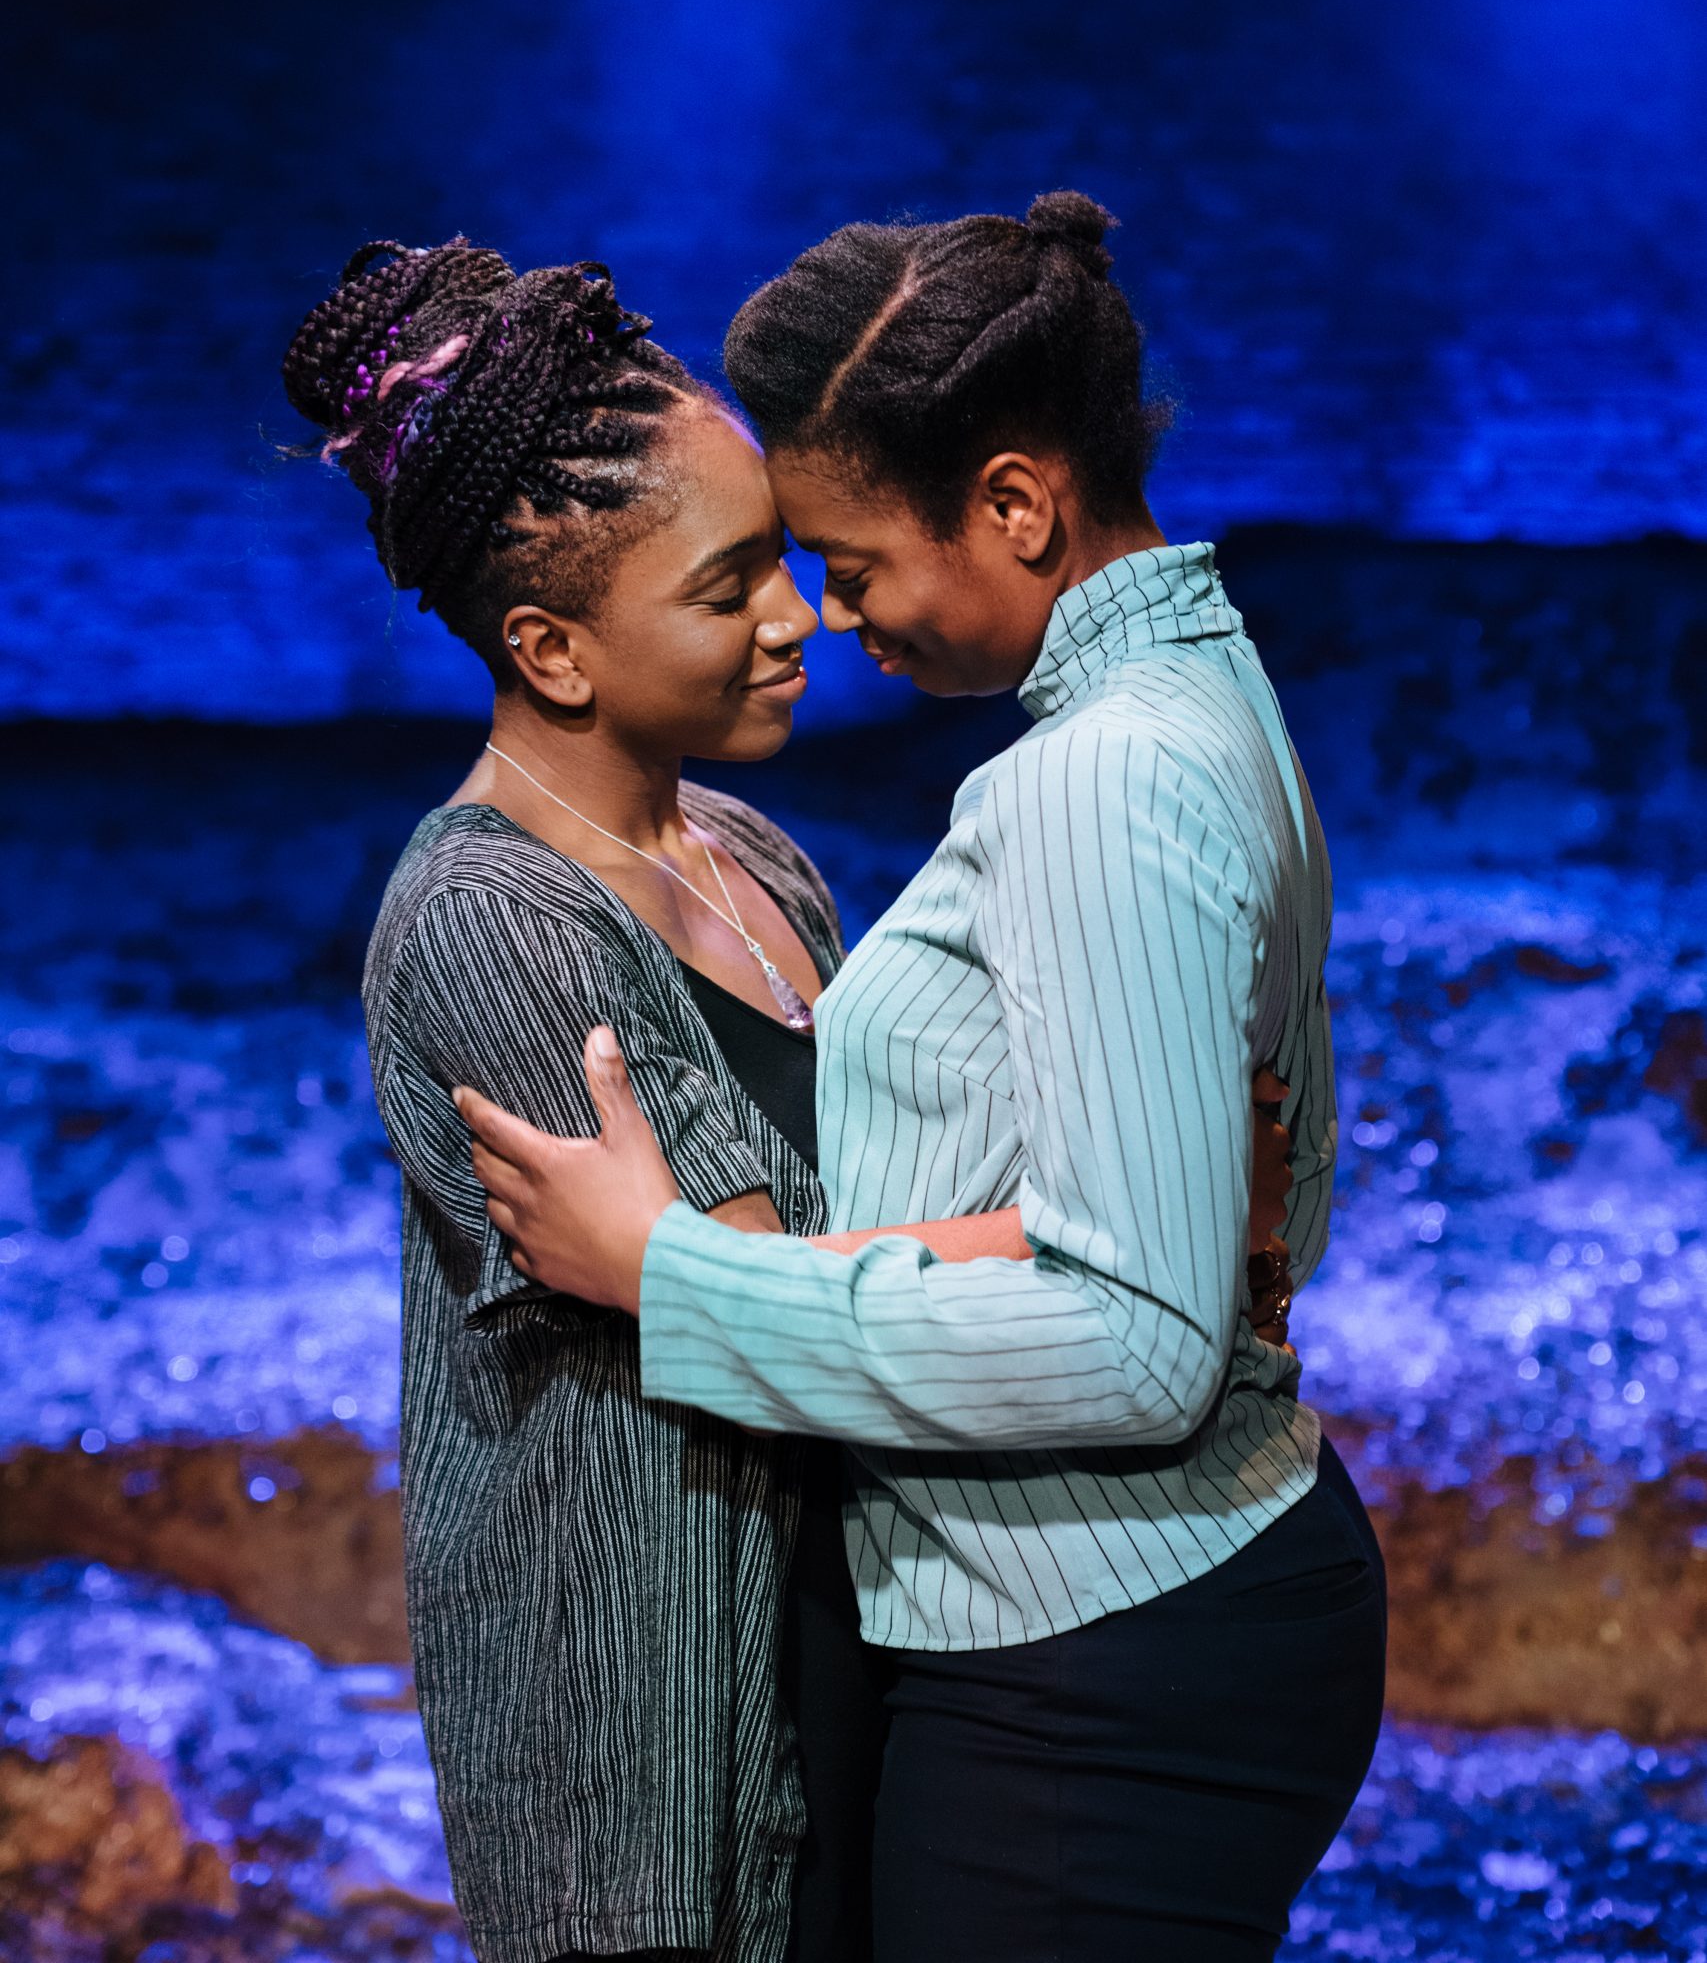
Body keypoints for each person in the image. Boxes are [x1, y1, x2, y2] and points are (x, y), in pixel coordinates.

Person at [281, 232, 1300, 1963]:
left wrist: (1146, 1226)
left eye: (792, 561)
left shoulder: (754, 860)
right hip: (647, 1745)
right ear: (553, 645)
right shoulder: (491, 923)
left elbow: (822, 1248)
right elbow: (776, 1281)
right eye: (731, 582)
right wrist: (1152, 1232)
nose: (798, 618)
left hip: (832, 1663)